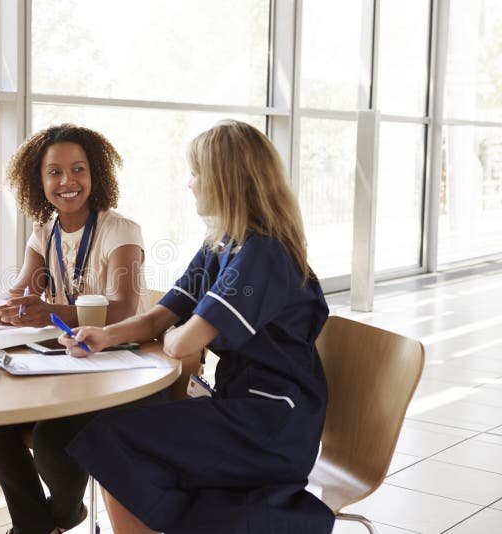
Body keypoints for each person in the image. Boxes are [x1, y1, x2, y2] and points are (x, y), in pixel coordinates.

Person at [60, 120, 335, 533]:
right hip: (239, 406)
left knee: (112, 440)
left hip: (271, 424)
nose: (189, 185)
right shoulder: (221, 243)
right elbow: (160, 316)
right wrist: (104, 335)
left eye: (196, 174)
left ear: (223, 180)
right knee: (114, 439)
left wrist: (176, 336)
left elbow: (183, 340)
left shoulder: (262, 253)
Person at [0, 124, 156, 534]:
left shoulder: (120, 230)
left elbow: (120, 307)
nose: (67, 181)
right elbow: (21, 295)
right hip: (66, 368)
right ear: (39, 180)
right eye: (54, 172)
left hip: (116, 370)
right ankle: (37, 525)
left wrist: (49, 309)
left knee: (53, 443)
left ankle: (52, 520)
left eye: (79, 170)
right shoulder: (44, 232)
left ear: (96, 175)